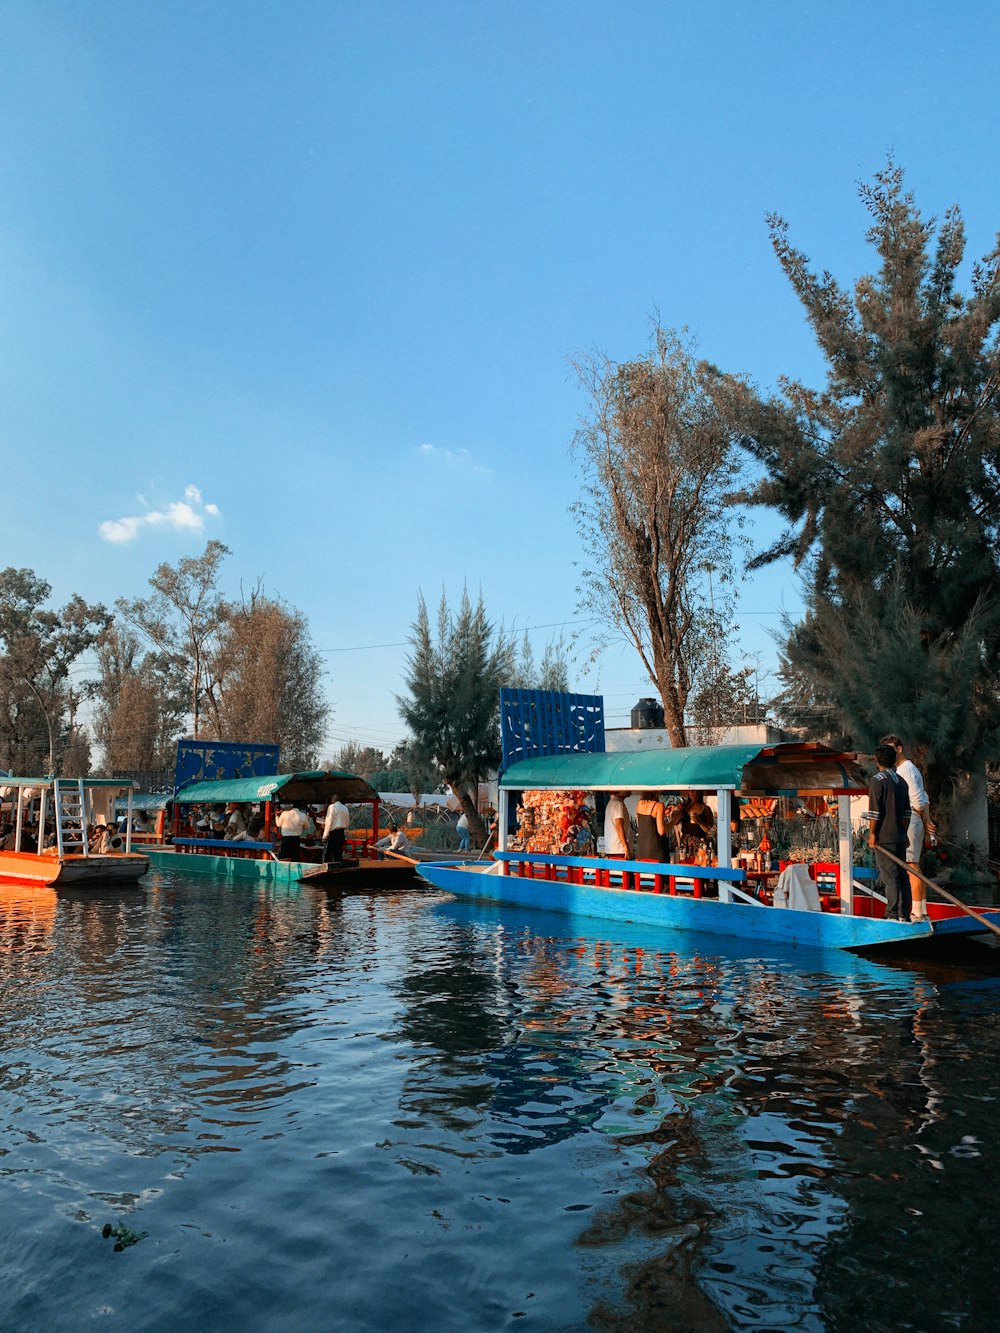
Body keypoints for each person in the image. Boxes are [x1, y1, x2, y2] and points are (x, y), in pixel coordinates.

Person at [881, 733, 935, 924]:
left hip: (910, 817)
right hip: (913, 818)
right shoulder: (904, 770)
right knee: (913, 865)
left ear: (899, 749)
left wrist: (921, 817)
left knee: (911, 865)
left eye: (891, 749)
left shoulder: (907, 770)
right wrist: (926, 819)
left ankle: (917, 912)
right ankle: (922, 910)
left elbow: (919, 800)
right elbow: (925, 796)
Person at [865, 743, 912, 922]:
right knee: (902, 875)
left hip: (884, 838)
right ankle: (904, 914)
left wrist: (872, 834)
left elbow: (874, 813)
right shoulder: (902, 782)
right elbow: (907, 814)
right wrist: (904, 833)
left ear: (876, 760)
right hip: (899, 836)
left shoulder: (877, 781)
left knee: (889, 876)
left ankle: (892, 914)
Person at [635, 793, 671, 862]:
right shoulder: (659, 805)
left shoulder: (639, 803)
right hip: (656, 850)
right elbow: (661, 831)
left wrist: (663, 813)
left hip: (641, 850)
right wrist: (673, 822)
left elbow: (642, 824)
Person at [322, 796, 350, 863]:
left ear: (333, 800)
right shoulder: (345, 808)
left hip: (333, 833)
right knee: (338, 853)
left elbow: (329, 822)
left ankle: (326, 867)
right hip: (341, 833)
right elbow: (347, 823)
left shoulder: (332, 807)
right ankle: (337, 868)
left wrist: (324, 836)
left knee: (328, 853)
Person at [603, 791, 632, 857]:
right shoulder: (618, 803)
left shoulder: (612, 802)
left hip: (613, 849)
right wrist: (625, 846)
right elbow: (619, 826)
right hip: (619, 849)